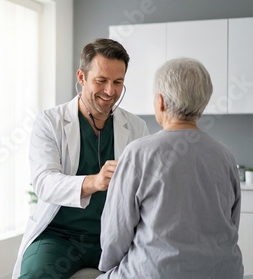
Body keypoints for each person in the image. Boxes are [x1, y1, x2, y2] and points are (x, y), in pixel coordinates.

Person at [12, 38, 149, 279]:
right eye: (101, 80)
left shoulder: (136, 127)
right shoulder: (50, 122)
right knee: (35, 274)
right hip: (58, 236)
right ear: (81, 77)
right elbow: (44, 182)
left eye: (118, 82)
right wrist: (94, 182)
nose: (110, 91)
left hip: (113, 237)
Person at [98, 58, 243, 278]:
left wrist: (107, 267)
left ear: (161, 101)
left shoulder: (138, 153)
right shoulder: (225, 155)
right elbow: (232, 224)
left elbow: (115, 235)